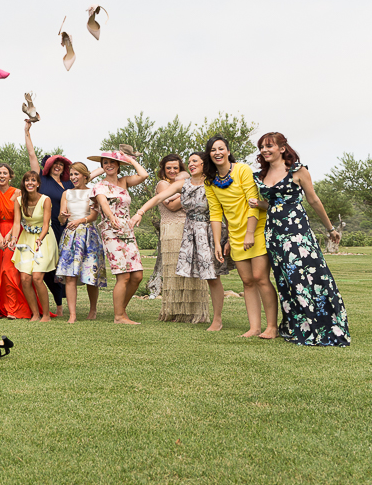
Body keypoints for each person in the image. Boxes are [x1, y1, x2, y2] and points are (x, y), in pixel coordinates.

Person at [252, 132, 349, 346]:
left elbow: (313, 200)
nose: (265, 150)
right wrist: (261, 205)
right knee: (285, 280)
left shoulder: (298, 170)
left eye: (269, 146)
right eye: (261, 147)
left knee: (306, 276)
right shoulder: (260, 176)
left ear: (282, 148)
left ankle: (322, 325)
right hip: (274, 234)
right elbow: (276, 205)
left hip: (297, 233)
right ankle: (297, 325)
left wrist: (330, 228)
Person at [132, 152, 231, 331]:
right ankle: (186, 312)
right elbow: (159, 198)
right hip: (190, 231)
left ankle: (217, 319)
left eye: (195, 161)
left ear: (204, 164)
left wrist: (229, 236)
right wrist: (140, 211)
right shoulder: (182, 184)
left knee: (213, 276)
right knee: (200, 274)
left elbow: (227, 207)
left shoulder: (212, 183)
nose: (191, 164)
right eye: (190, 161)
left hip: (210, 230)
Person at [204, 135, 276, 339]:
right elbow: (215, 213)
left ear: (227, 151)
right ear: (209, 154)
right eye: (213, 150)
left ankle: (271, 327)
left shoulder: (242, 170)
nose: (217, 152)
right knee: (247, 281)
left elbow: (253, 202)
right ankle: (254, 327)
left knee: (260, 277)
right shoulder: (210, 181)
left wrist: (250, 233)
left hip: (256, 229)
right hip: (235, 234)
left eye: (221, 148)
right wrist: (218, 242)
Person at [90, 150, 149, 324]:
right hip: (110, 230)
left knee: (137, 275)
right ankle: (118, 317)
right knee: (123, 275)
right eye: (105, 163)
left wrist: (129, 159)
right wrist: (111, 217)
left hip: (127, 229)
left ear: (118, 166)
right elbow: (103, 202)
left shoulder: (124, 182)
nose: (108, 165)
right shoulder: (100, 186)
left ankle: (121, 310)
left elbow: (144, 174)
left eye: (112, 162)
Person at [154, 154, 210, 323]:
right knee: (174, 271)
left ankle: (192, 312)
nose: (172, 170)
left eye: (175, 168)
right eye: (168, 168)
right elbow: (170, 206)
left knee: (192, 270)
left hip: (190, 227)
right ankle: (175, 311)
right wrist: (190, 194)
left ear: (181, 169)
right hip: (171, 229)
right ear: (163, 170)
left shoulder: (186, 184)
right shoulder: (163, 184)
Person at [24, 120, 69, 315]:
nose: (57, 167)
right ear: (48, 167)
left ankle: (62, 305)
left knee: (62, 268)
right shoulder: (42, 181)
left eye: (60, 164)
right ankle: (56, 305)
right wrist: (27, 132)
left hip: (66, 228)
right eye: (54, 164)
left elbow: (87, 176)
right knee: (48, 269)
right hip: (49, 227)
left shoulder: (69, 183)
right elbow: (32, 155)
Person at [57, 162, 106, 322]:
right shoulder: (67, 193)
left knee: (90, 274)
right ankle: (72, 314)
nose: (73, 177)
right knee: (70, 275)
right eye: (71, 174)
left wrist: (79, 221)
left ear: (85, 175)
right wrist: (63, 216)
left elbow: (94, 216)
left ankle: (93, 310)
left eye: (76, 174)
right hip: (70, 236)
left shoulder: (92, 192)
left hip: (88, 235)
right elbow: (61, 219)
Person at [10, 170, 53, 321]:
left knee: (37, 277)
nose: (30, 183)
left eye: (33, 180)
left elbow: (46, 224)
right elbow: (16, 223)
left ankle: (46, 315)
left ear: (38, 184)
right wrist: (14, 238)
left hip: (44, 238)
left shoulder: (45, 200)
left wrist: (40, 238)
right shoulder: (19, 200)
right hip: (26, 239)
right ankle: (35, 313)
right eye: (27, 180)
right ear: (24, 183)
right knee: (25, 278)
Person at [0, 164, 26, 319]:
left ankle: (13, 308)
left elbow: (20, 218)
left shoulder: (17, 192)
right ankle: (0, 307)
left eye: (5, 173)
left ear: (10, 176)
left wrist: (10, 235)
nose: (1, 175)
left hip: (14, 232)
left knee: (10, 270)